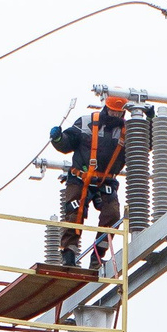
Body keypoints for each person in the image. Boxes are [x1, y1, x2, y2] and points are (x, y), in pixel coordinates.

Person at [47, 93, 128, 271]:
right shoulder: (86, 122)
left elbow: (144, 145)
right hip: (80, 178)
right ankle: (69, 255)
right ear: (107, 108)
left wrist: (151, 121)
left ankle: (98, 255)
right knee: (75, 212)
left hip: (106, 181)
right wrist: (59, 139)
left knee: (113, 215)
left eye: (119, 113)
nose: (116, 116)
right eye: (113, 112)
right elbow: (68, 143)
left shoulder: (127, 131)